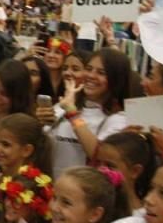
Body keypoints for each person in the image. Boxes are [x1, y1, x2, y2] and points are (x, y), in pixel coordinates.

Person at [44, 48, 132, 178]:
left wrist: (72, 114)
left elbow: (98, 154)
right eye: (89, 69)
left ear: (116, 79)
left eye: (101, 73)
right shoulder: (65, 104)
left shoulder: (120, 119)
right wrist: (41, 121)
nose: (91, 76)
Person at [95, 131, 159, 213]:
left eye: (110, 166)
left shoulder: (141, 216)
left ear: (135, 171)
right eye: (98, 163)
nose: (101, 170)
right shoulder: (92, 204)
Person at [42, 37, 71, 101]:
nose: (51, 55)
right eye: (48, 51)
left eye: (57, 52)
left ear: (65, 58)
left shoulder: (69, 79)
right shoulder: (38, 77)